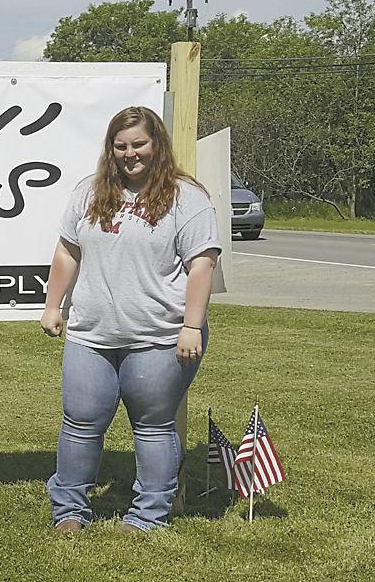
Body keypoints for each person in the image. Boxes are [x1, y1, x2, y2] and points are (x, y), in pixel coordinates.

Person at [40, 106, 220, 533]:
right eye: (121, 146)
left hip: (161, 336)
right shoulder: (89, 191)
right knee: (80, 422)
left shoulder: (186, 197)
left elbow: (203, 264)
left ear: (156, 145)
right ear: (110, 149)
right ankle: (69, 510)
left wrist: (191, 326)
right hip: (91, 333)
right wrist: (53, 305)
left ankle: (149, 514)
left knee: (154, 427)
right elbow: (68, 250)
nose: (130, 153)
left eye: (139, 144)